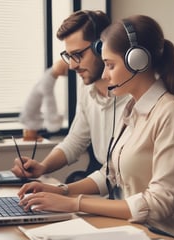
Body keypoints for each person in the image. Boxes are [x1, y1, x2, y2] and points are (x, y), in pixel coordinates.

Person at [17, 14, 174, 240]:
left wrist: (74, 202)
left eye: (110, 65)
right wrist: (62, 191)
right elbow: (110, 174)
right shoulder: (132, 110)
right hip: (132, 231)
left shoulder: (171, 113)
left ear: (137, 62)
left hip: (168, 239)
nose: (105, 75)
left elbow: (160, 202)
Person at [13, 10, 130, 182]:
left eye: (79, 55)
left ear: (101, 48)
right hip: (106, 187)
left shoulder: (134, 96)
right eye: (69, 56)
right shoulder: (87, 90)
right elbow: (75, 140)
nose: (73, 65)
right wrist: (42, 167)